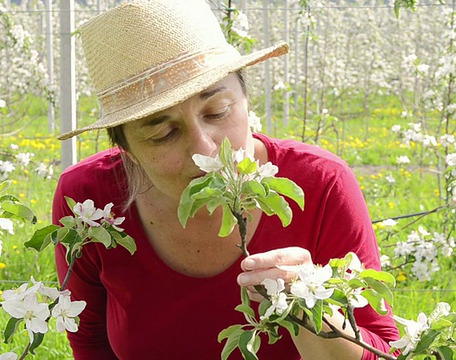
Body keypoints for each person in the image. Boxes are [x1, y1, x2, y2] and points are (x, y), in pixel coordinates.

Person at [53, 0, 400, 359]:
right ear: (125, 147)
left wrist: (308, 304)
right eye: (162, 133)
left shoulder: (322, 185)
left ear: (247, 102)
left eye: (217, 112)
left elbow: (383, 349)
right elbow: (90, 344)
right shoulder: (88, 204)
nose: (204, 148)